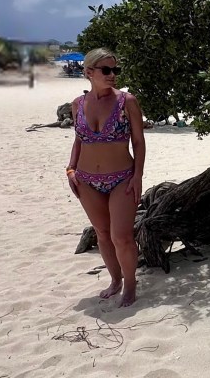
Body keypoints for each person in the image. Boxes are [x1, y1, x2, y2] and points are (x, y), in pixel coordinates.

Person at [65, 48, 146, 307]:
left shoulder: (127, 101)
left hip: (122, 177)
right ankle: (115, 280)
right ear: (89, 72)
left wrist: (138, 176)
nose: (112, 75)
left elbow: (138, 141)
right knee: (101, 233)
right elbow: (78, 139)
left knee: (121, 236)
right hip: (86, 179)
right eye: (106, 70)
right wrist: (70, 169)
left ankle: (131, 284)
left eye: (115, 70)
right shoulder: (77, 104)